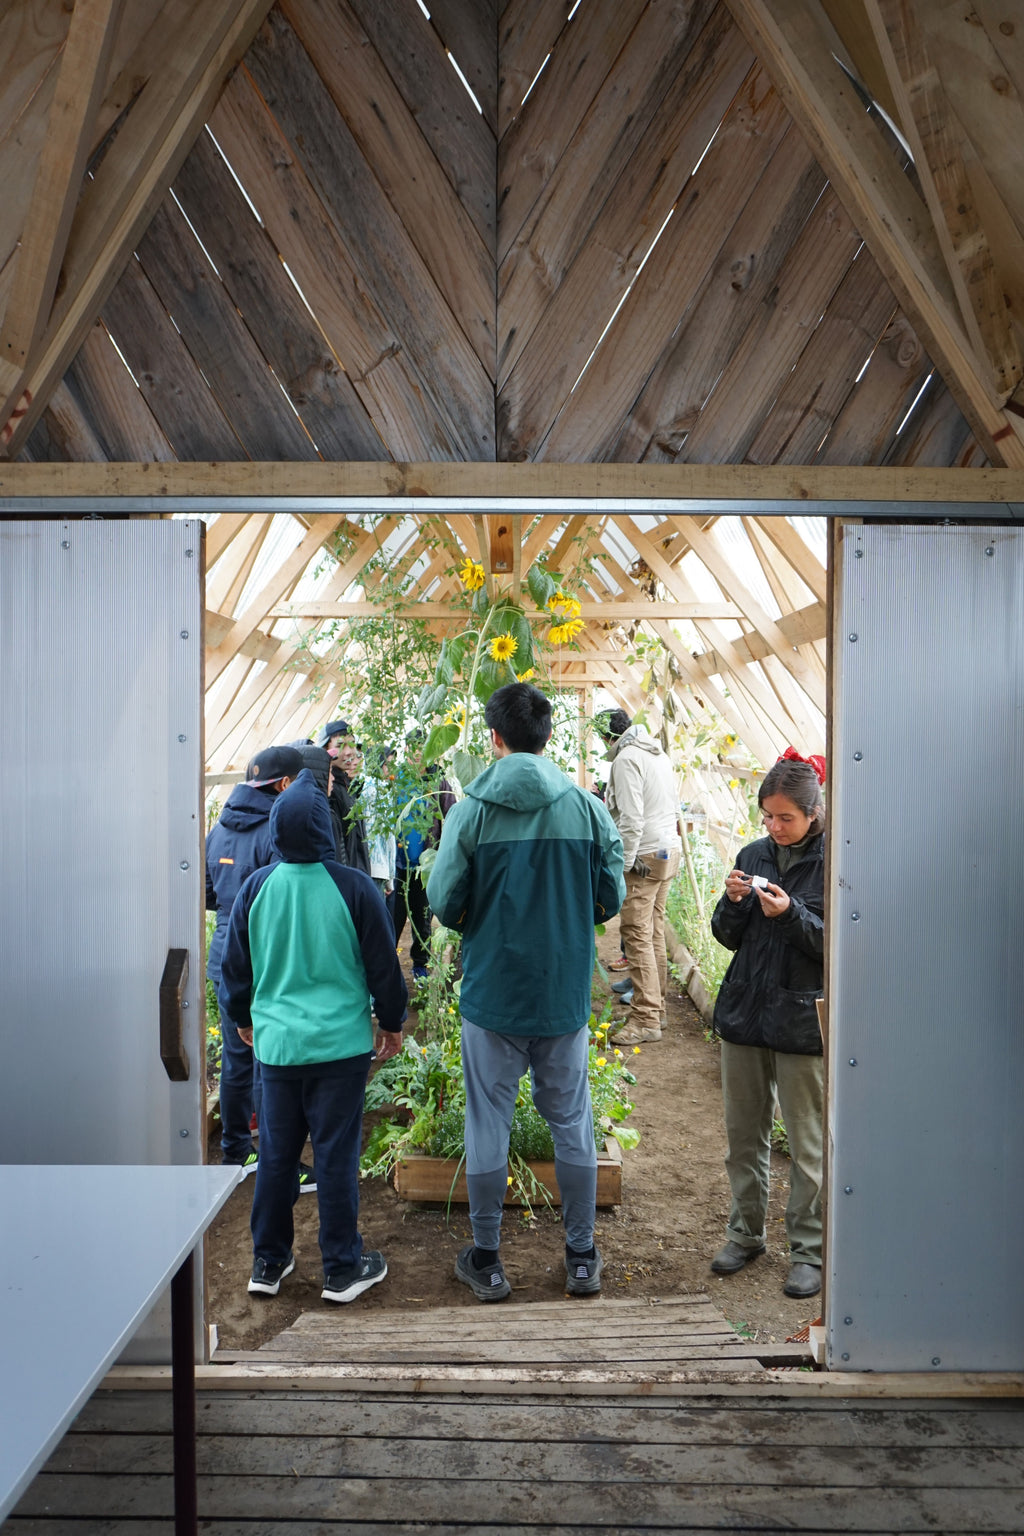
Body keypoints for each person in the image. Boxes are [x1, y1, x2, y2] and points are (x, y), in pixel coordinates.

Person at [426, 682, 625, 1302]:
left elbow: (443, 901)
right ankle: (582, 1257)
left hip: (493, 995)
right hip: (562, 992)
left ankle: (487, 1260)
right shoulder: (587, 808)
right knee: (571, 1121)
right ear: (547, 736)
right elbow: (611, 895)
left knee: (490, 1121)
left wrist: (480, 925)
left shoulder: (471, 812)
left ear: (494, 737)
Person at [219, 768, 408, 1303]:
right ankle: (343, 1268)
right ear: (326, 828)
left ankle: (268, 1261)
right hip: (339, 1049)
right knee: (334, 1154)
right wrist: (391, 1023)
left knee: (277, 1154)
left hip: (277, 1049)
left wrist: (243, 1019)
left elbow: (236, 968)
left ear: (277, 828)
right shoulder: (353, 887)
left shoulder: (258, 887)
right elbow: (383, 969)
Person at [708, 750, 826, 1301]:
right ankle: (745, 1234)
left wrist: (792, 914)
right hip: (746, 1015)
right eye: (767, 816)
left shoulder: (836, 861)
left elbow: (839, 944)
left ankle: (808, 1251)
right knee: (743, 1137)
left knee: (806, 1144)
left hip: (803, 1022)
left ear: (814, 812)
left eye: (786, 818)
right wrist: (734, 903)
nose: (774, 828)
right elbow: (727, 937)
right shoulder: (754, 853)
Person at [205, 744, 303, 1174]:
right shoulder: (274, 830)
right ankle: (280, 1163)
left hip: (223, 955)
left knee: (235, 1058)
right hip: (264, 957)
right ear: (283, 784)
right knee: (270, 1060)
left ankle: (235, 1150)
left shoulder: (219, 828)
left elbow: (207, 892)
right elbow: (283, 900)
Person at [594, 710, 682, 1045]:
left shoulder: (627, 759)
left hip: (645, 855)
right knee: (653, 931)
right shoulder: (657, 754)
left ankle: (645, 1018)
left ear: (607, 737)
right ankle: (656, 1009)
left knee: (636, 934)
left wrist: (625, 862)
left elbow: (631, 819)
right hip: (667, 851)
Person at [392, 735, 455, 979]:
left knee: (422, 918)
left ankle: (420, 965)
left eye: (422, 748)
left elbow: (450, 817)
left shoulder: (437, 780)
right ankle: (387, 966)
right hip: (397, 864)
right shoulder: (396, 779)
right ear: (406, 749)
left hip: (425, 865)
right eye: (413, 747)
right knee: (392, 918)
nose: (418, 753)